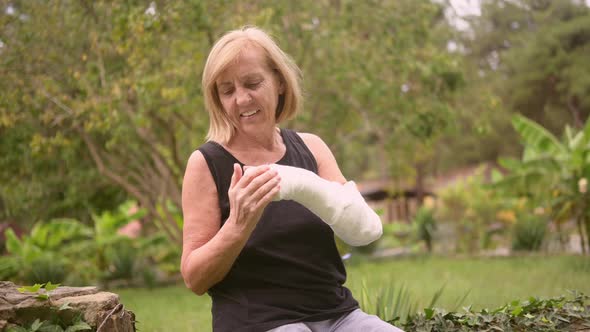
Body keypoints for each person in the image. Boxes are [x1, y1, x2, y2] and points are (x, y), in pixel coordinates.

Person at [181, 26, 404, 332]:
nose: (242, 99)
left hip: (338, 316)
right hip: (256, 323)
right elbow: (194, 278)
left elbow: (362, 229)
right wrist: (237, 227)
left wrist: (304, 185)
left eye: (252, 83)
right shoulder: (207, 163)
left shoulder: (312, 148)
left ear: (280, 82)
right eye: (227, 90)